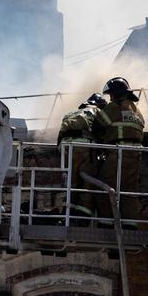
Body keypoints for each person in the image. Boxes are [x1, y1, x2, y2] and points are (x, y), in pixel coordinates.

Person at [94, 77, 145, 229]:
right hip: (136, 155)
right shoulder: (137, 111)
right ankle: (130, 224)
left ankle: (106, 223)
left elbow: (97, 126)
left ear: (115, 93)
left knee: (104, 186)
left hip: (118, 153)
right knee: (129, 190)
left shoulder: (114, 107)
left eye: (110, 94)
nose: (110, 98)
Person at [57, 93, 106, 223]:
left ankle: (66, 215)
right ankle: (82, 218)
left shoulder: (71, 113)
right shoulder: (97, 111)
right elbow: (103, 133)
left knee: (71, 183)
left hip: (65, 147)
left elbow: (60, 135)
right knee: (88, 183)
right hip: (84, 146)